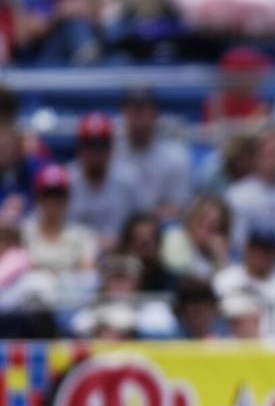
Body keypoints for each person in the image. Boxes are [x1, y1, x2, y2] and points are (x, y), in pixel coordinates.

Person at [113, 87, 192, 222]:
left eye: (144, 108)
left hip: (161, 229)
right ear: (123, 113)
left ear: (156, 114)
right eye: (133, 108)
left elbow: (179, 207)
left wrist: (145, 216)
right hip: (118, 229)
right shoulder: (109, 154)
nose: (139, 114)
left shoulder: (175, 157)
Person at [67, 113, 142, 247]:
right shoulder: (66, 180)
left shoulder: (128, 179)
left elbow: (141, 223)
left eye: (102, 145)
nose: (96, 152)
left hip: (121, 253)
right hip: (73, 256)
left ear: (111, 147)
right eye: (90, 144)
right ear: (79, 147)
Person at [21, 163, 97, 280]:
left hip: (71, 295)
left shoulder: (82, 235)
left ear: (67, 198)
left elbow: (87, 273)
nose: (53, 200)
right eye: (48, 194)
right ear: (38, 197)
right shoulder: (23, 233)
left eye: (59, 195)